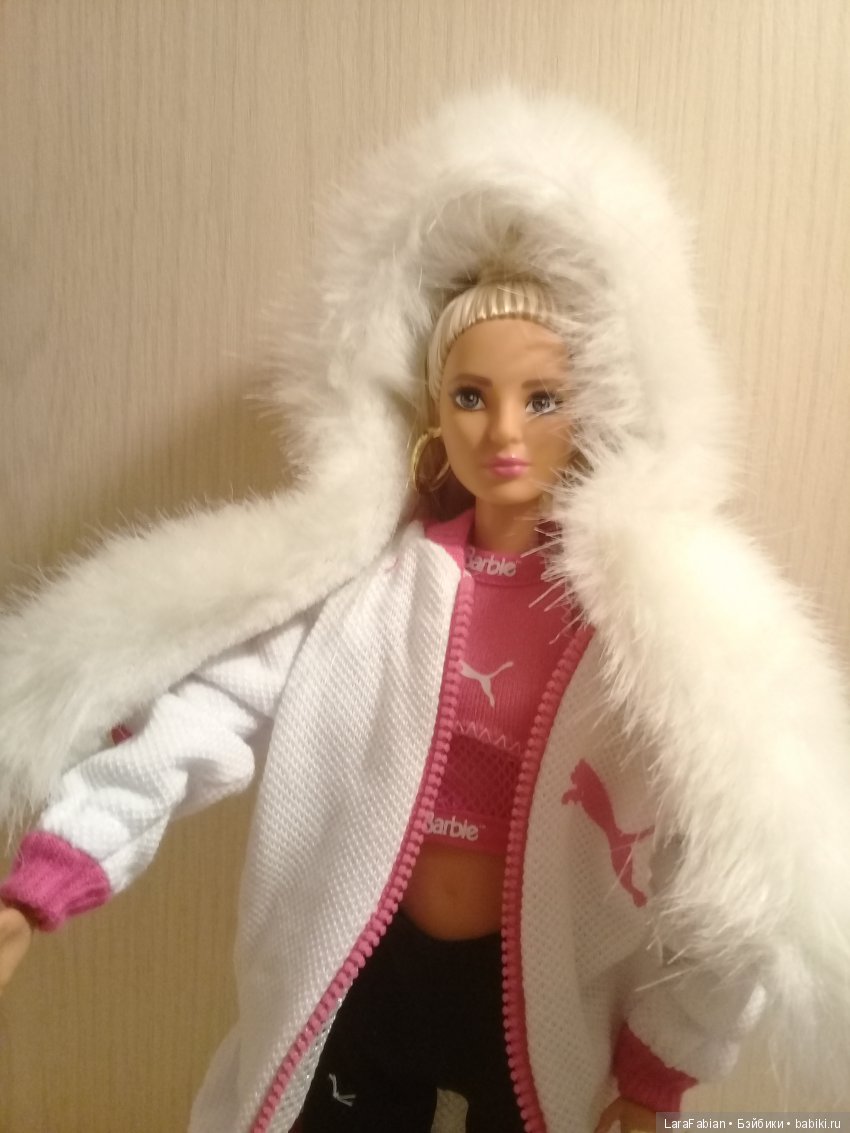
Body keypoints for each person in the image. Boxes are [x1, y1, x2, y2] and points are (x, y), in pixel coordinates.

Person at [1, 87, 849, 1133]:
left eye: (543, 398)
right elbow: (198, 717)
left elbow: (727, 850)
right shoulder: (367, 594)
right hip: (366, 973)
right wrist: (52, 874)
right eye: (469, 396)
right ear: (427, 408)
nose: (504, 432)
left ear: (600, 406)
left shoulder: (637, 635)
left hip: (532, 1003)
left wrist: (658, 1070)